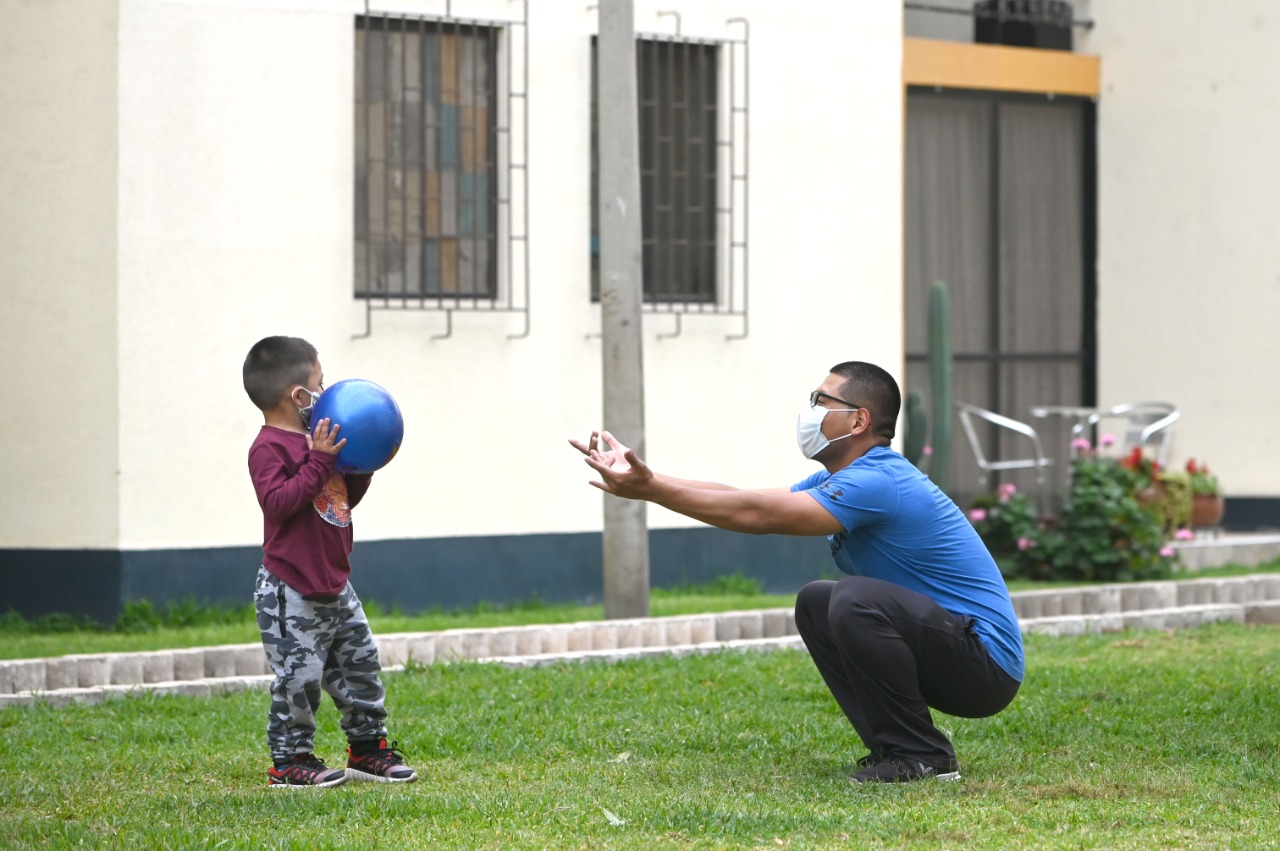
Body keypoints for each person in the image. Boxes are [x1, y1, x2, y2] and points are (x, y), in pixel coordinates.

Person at [569, 360, 1023, 783]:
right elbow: (744, 497)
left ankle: (923, 757)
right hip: (950, 649)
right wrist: (647, 480)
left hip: (983, 666)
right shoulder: (845, 478)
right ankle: (896, 749)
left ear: (859, 420)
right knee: (817, 602)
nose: (810, 411)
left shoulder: (879, 481)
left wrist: (652, 490)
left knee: (853, 599)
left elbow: (757, 517)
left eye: (821, 401)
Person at [243, 335, 418, 788]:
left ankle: (367, 750)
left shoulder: (321, 442)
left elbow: (339, 500)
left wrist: (361, 464)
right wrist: (320, 461)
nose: (326, 394)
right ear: (298, 396)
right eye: (319, 385)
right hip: (290, 589)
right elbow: (279, 503)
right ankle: (290, 760)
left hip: (337, 583)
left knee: (360, 666)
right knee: (298, 679)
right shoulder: (269, 448)